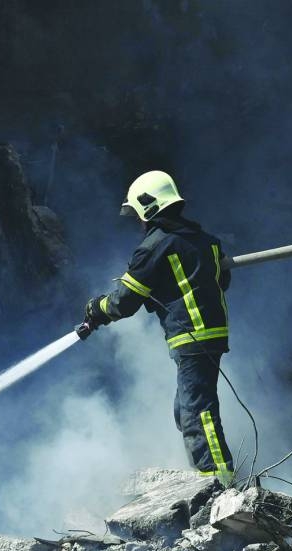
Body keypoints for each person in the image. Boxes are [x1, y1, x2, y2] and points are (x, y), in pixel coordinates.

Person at [83, 170, 234, 481]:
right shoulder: (207, 241)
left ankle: (221, 482)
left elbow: (124, 302)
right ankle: (209, 475)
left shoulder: (154, 247)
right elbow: (223, 279)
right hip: (210, 334)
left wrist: (95, 308)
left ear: (148, 208)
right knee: (186, 409)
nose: (138, 222)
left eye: (137, 214)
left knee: (197, 414)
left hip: (191, 336)